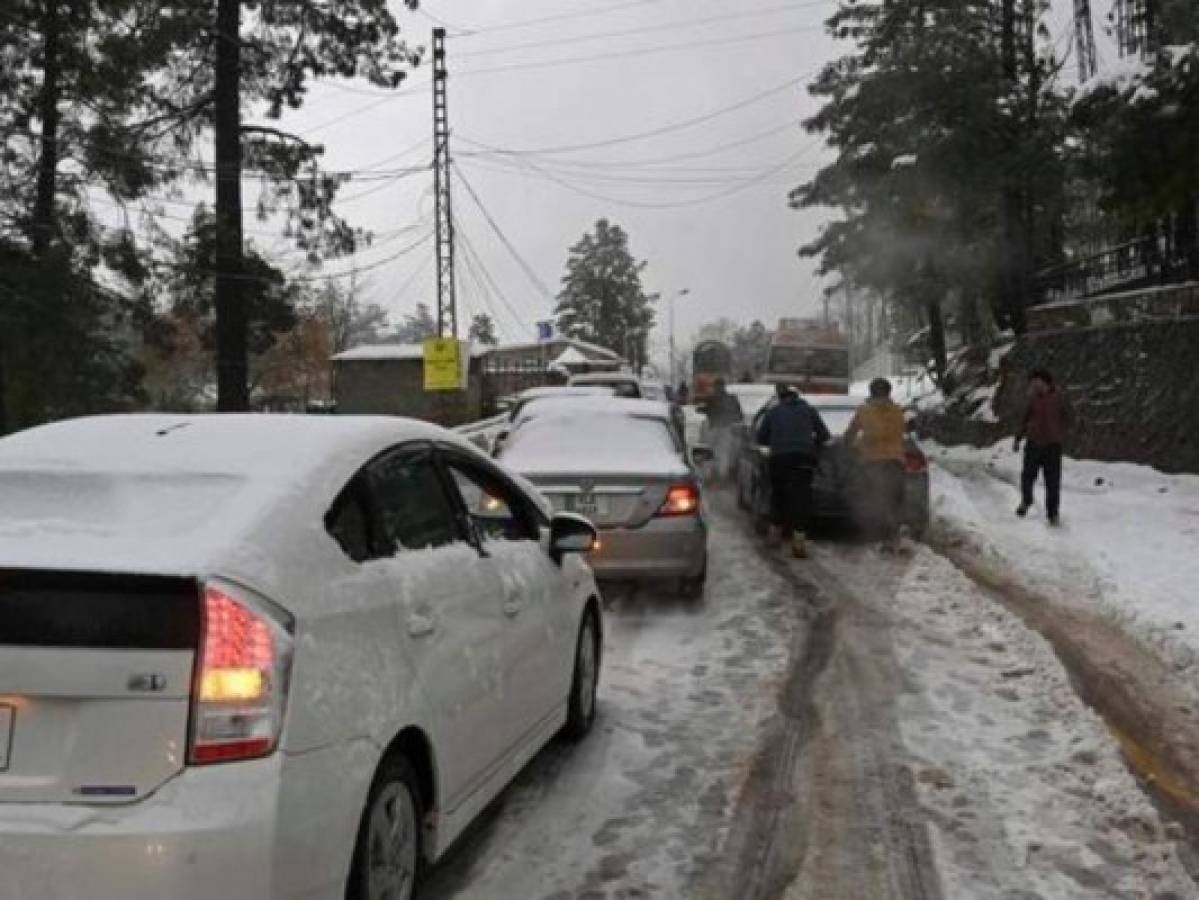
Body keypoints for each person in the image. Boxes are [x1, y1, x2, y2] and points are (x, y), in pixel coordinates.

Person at [756, 382, 830, 558]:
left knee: (778, 495)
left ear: (781, 399)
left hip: (779, 459)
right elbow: (824, 435)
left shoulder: (773, 412)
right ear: (797, 397)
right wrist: (812, 446)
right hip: (804, 460)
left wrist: (776, 441)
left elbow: (761, 437)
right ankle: (799, 543)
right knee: (801, 499)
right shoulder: (809, 411)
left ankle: (775, 536)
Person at [845, 377, 908, 551]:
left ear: (871, 392)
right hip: (896, 460)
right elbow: (902, 431)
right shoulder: (898, 410)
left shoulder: (864, 410)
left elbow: (851, 434)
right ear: (889, 392)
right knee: (894, 500)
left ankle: (881, 537)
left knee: (876, 500)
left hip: (873, 462)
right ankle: (894, 536)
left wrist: (851, 446)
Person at [1014, 368, 1073, 525]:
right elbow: (1024, 419)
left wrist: (1062, 433)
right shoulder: (1032, 398)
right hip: (1034, 442)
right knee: (1027, 476)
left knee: (1052, 481)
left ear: (1044, 382)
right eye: (1032, 382)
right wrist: (1018, 438)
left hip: (1053, 445)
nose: (1033, 385)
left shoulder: (1059, 398)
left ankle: (1053, 513)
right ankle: (1026, 501)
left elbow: (1069, 417)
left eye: (1036, 381)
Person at [699, 378, 743, 482]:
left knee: (709, 452)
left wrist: (704, 410)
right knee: (723, 453)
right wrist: (732, 418)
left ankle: (709, 476)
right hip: (726, 429)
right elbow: (739, 415)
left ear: (715, 387)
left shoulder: (711, 398)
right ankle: (721, 476)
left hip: (713, 429)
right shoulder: (732, 399)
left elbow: (706, 410)